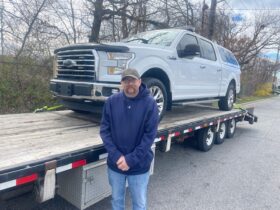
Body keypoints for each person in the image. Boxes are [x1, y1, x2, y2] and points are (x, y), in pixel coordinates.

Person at [100, 68, 159, 210]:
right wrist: (116, 156)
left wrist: (130, 160)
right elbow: (104, 131)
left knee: (139, 203)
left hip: (139, 166)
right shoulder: (112, 102)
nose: (129, 84)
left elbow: (149, 136)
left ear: (139, 82)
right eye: (126, 80)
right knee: (116, 201)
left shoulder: (150, 103)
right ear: (121, 83)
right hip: (116, 164)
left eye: (132, 80)